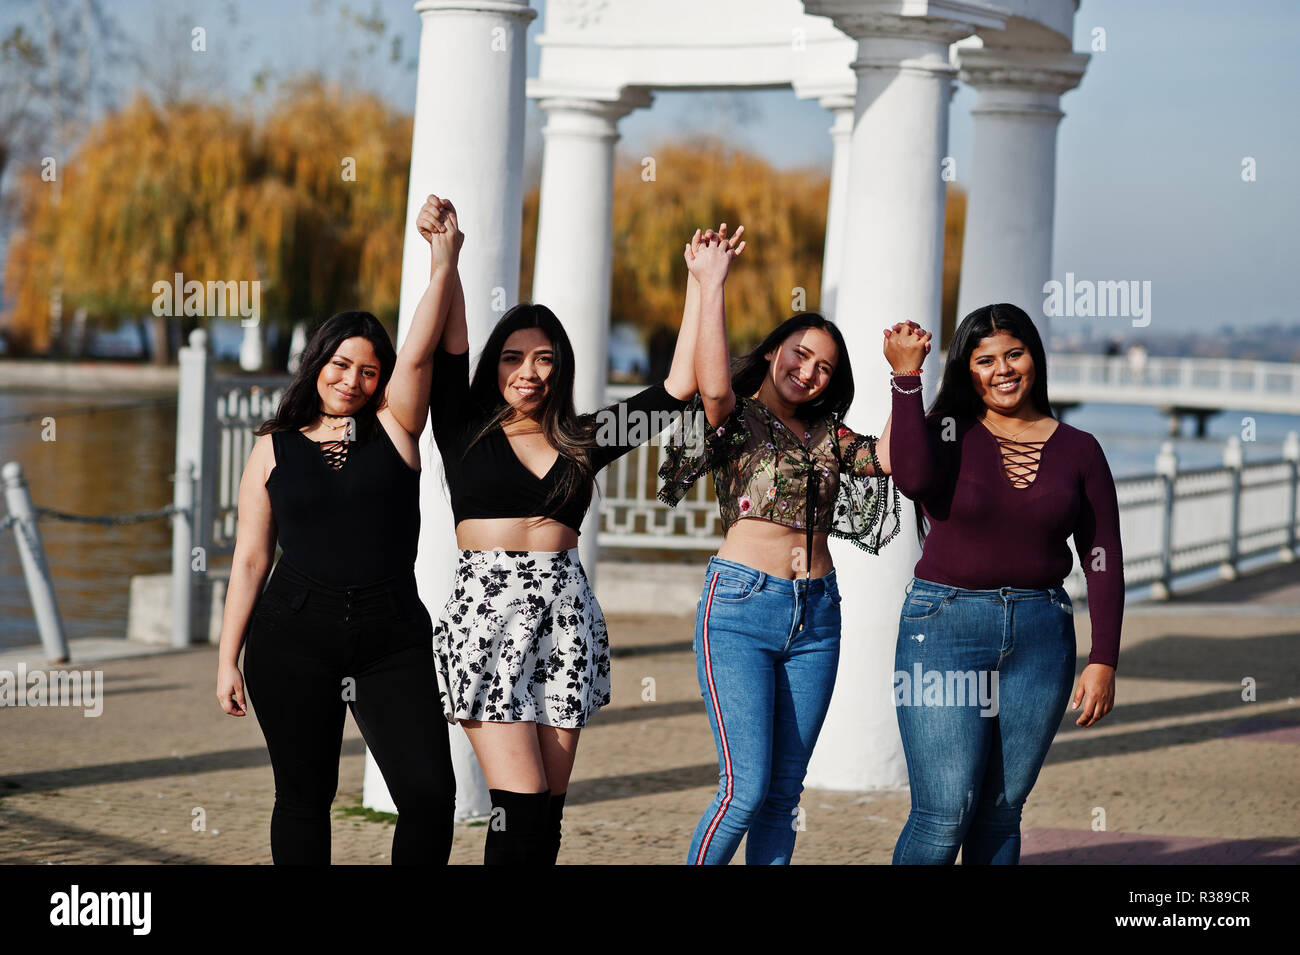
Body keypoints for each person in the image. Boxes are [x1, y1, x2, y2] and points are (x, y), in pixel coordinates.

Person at [424, 227, 738, 865]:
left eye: (544, 359)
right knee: (521, 800)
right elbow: (448, 342)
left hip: (564, 616)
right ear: (495, 366)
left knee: (549, 813)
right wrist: (446, 260)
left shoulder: (584, 438)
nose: (529, 372)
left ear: (560, 368)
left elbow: (680, 388)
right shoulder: (461, 424)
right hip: (486, 617)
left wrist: (705, 284)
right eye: (513, 357)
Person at [215, 195, 463, 864]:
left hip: (391, 638)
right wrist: (226, 656)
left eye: (368, 370)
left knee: (429, 793)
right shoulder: (273, 445)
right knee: (304, 795)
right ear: (317, 360)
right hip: (291, 636)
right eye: (342, 363)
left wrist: (444, 261)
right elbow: (249, 558)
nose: (353, 379)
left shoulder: (395, 427)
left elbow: (418, 354)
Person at [657, 228, 902, 865]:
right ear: (773, 353)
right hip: (740, 608)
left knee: (784, 794)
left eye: (824, 367)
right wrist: (711, 285)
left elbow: (892, 458)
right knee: (744, 788)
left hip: (817, 615)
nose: (809, 372)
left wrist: (906, 379)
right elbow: (708, 388)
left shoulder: (829, 435)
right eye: (800, 355)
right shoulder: (736, 418)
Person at [886, 303, 1123, 865]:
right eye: (985, 359)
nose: (1003, 369)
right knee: (944, 812)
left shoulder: (1080, 449)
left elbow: (1102, 556)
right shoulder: (947, 431)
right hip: (943, 628)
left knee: (1000, 810)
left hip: (1042, 634)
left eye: (1013, 354)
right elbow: (911, 477)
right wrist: (905, 379)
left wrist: (1104, 658)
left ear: (1034, 358)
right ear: (967, 370)